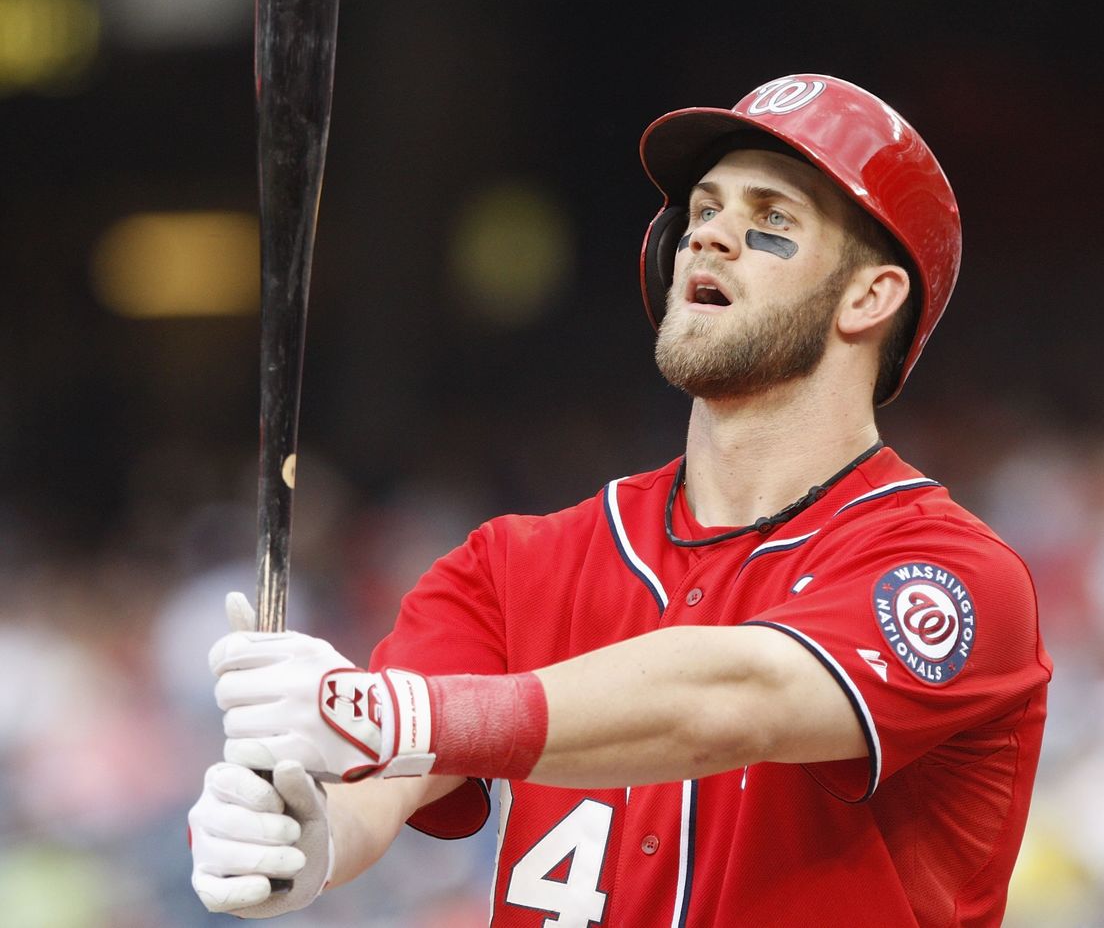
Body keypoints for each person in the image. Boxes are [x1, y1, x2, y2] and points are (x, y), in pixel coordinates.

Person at [188, 73, 1053, 927]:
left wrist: (387, 713)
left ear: (870, 296)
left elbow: (731, 700)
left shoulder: (953, 575)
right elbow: (384, 777)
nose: (710, 238)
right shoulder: (516, 563)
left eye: (771, 221)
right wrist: (306, 840)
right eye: (704, 211)